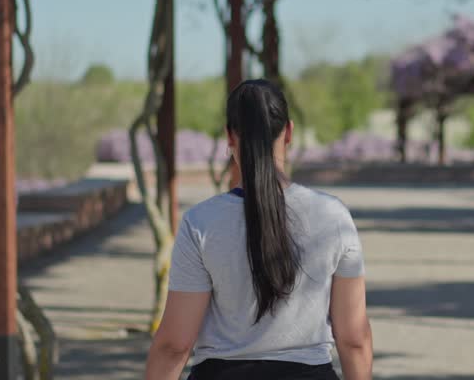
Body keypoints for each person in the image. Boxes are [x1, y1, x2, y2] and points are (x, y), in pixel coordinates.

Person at [145, 79, 373, 380]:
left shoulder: (200, 222)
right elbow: (354, 340)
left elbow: (175, 345)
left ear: (229, 136)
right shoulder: (333, 216)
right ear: (288, 132)